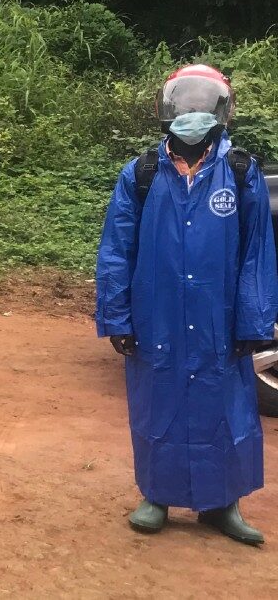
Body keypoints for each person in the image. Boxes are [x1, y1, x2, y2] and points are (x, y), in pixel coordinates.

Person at [96, 63, 276, 545]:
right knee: (159, 401)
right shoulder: (142, 173)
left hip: (219, 318)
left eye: (204, 100)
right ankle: (156, 495)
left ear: (222, 110)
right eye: (184, 99)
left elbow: (257, 250)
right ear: (167, 107)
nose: (193, 110)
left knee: (226, 404)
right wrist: (117, 317)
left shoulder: (240, 171)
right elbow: (116, 249)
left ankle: (223, 505)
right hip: (157, 317)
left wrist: (255, 319)